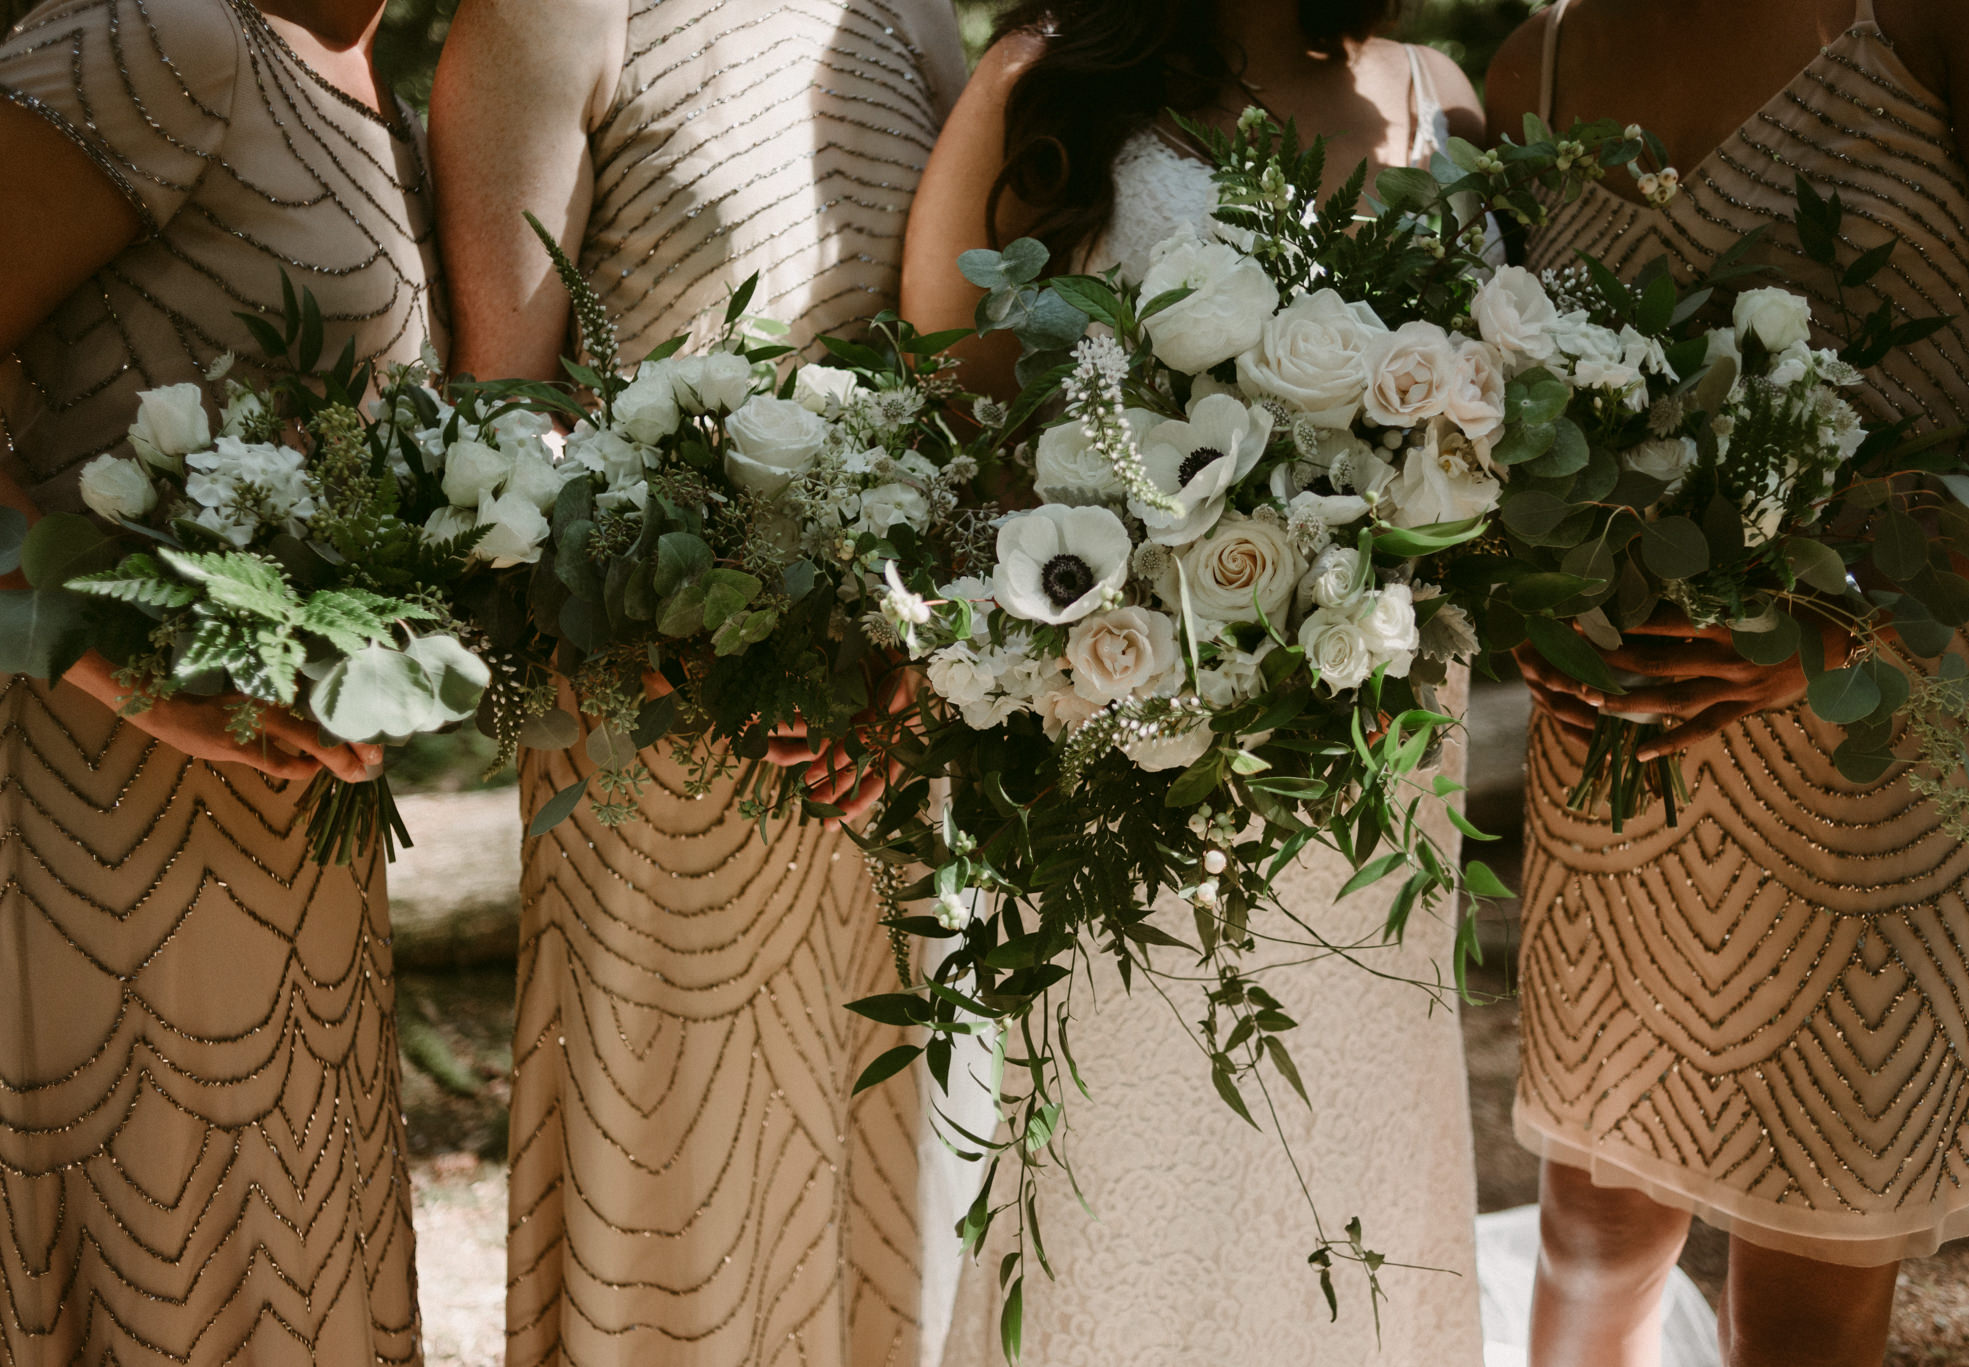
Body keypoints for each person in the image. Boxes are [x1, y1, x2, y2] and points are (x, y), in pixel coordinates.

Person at [900, 4, 1490, 1362]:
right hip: (1133, 746)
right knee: (1131, 1162)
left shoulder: (1442, 101)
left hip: (1382, 758)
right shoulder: (1053, 85)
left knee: (1356, 1154)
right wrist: (1139, 598)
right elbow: (951, 396)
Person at [1483, 2, 1969, 1363]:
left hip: (1899, 725)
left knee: (1809, 1291)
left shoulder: (1951, 20)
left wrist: (1852, 608)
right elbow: (1490, 410)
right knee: (1591, 1234)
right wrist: (1523, 593)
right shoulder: (1532, 66)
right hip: (1626, 745)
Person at [427, 4, 966, 1363]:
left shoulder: (900, 18)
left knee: (872, 1199)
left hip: (880, 750)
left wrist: (913, 639)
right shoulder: (551, 15)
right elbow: (499, 427)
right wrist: (711, 646)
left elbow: (963, 375)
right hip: (655, 744)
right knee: (686, 1211)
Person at [0, 0, 438, 1360]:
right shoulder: (164, 36)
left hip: (280, 838)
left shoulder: (387, 97)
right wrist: (97, 655)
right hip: (74, 813)